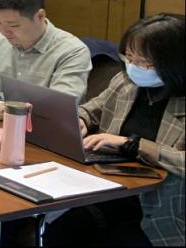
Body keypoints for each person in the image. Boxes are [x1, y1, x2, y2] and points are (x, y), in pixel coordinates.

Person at [44, 14, 184, 247]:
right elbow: (94, 108)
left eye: (144, 62)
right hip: (109, 190)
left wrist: (132, 144)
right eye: (129, 57)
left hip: (160, 210)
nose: (133, 67)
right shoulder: (126, 82)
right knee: (59, 231)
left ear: (174, 63)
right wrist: (81, 119)